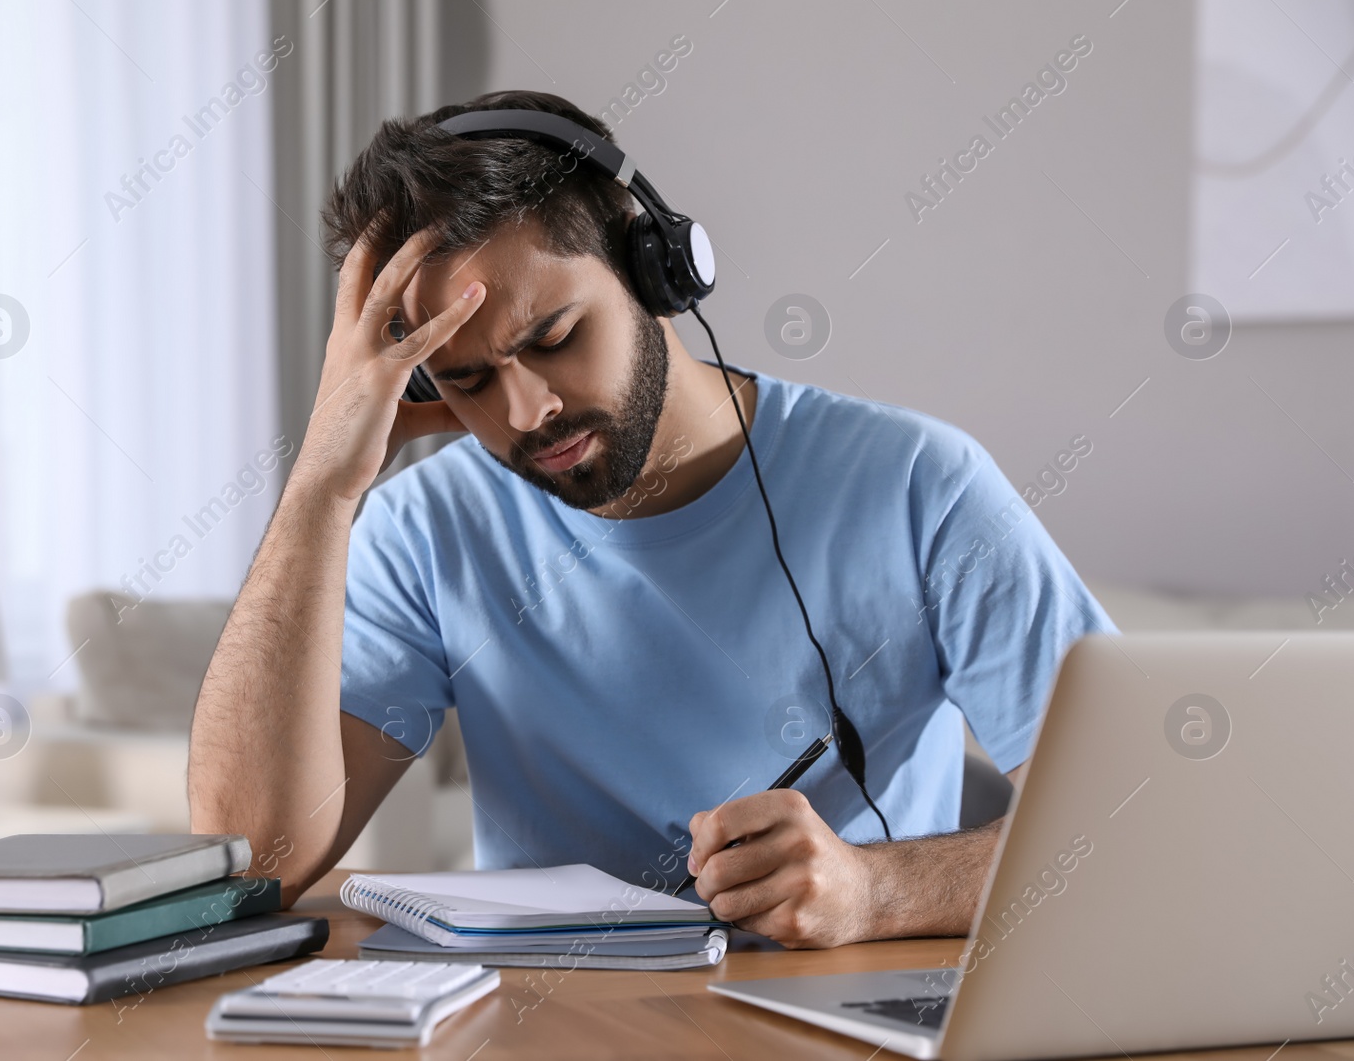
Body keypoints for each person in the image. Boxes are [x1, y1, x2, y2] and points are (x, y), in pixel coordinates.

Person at [188, 89, 1115, 950]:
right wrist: (319, 487)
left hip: (848, 1013)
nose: (525, 412)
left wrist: (879, 889)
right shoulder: (423, 531)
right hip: (553, 1030)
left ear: (655, 269)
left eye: (553, 338)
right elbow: (249, 860)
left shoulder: (920, 485)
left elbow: (1136, 814)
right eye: (466, 379)